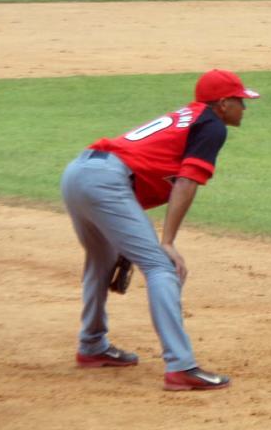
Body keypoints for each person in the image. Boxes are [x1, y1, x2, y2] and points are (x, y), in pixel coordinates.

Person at [60, 69, 259, 391]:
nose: (244, 108)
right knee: (162, 266)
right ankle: (181, 367)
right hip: (107, 181)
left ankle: (92, 345)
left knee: (102, 260)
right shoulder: (211, 126)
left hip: (79, 173)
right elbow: (186, 182)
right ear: (223, 104)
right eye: (240, 101)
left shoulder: (188, 117)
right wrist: (166, 241)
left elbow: (142, 170)